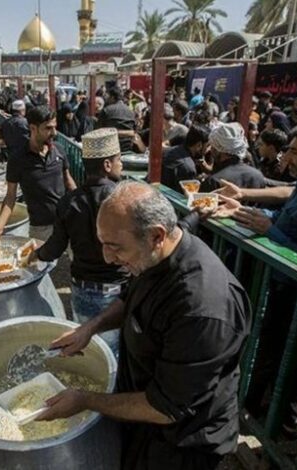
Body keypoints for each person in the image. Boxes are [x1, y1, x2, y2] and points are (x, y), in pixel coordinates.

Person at [38, 181, 249, 469]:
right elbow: (130, 297)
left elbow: (165, 407)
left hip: (181, 441)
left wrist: (85, 400)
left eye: (114, 248)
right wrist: (91, 327)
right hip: (145, 419)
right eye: (103, 244)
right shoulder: (155, 255)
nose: (107, 258)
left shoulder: (202, 308)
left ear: (156, 236)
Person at [214, 121, 297, 437]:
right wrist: (245, 211)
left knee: (285, 366)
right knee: (271, 356)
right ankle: (255, 412)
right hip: (281, 288)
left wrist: (268, 230)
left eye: (295, 151)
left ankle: (281, 431)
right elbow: (289, 220)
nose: (286, 156)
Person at [30, 129, 127, 353]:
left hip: (83, 291)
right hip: (117, 295)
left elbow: (54, 250)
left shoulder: (68, 202)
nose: (121, 164)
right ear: (107, 165)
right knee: (112, 355)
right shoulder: (122, 199)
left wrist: (36, 254)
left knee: (87, 350)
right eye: (119, 159)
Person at [0, 106, 77, 241]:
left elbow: (68, 181)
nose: (54, 133)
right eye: (48, 128)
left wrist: (83, 206)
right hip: (41, 228)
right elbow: (10, 197)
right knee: (43, 262)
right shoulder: (17, 159)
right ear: (33, 128)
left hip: (67, 220)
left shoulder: (59, 150)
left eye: (54, 127)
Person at [200, 123, 266, 193]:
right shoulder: (257, 176)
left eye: (213, 146)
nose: (211, 150)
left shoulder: (213, 182)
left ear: (219, 150)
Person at [160, 125, 209, 191]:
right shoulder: (188, 167)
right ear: (199, 145)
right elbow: (188, 193)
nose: (208, 149)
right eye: (207, 146)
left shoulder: (167, 151)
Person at [97, 87, 137, 153]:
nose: (107, 99)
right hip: (128, 148)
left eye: (108, 96)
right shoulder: (131, 112)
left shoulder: (106, 110)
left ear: (112, 97)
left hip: (110, 148)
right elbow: (134, 130)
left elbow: (98, 130)